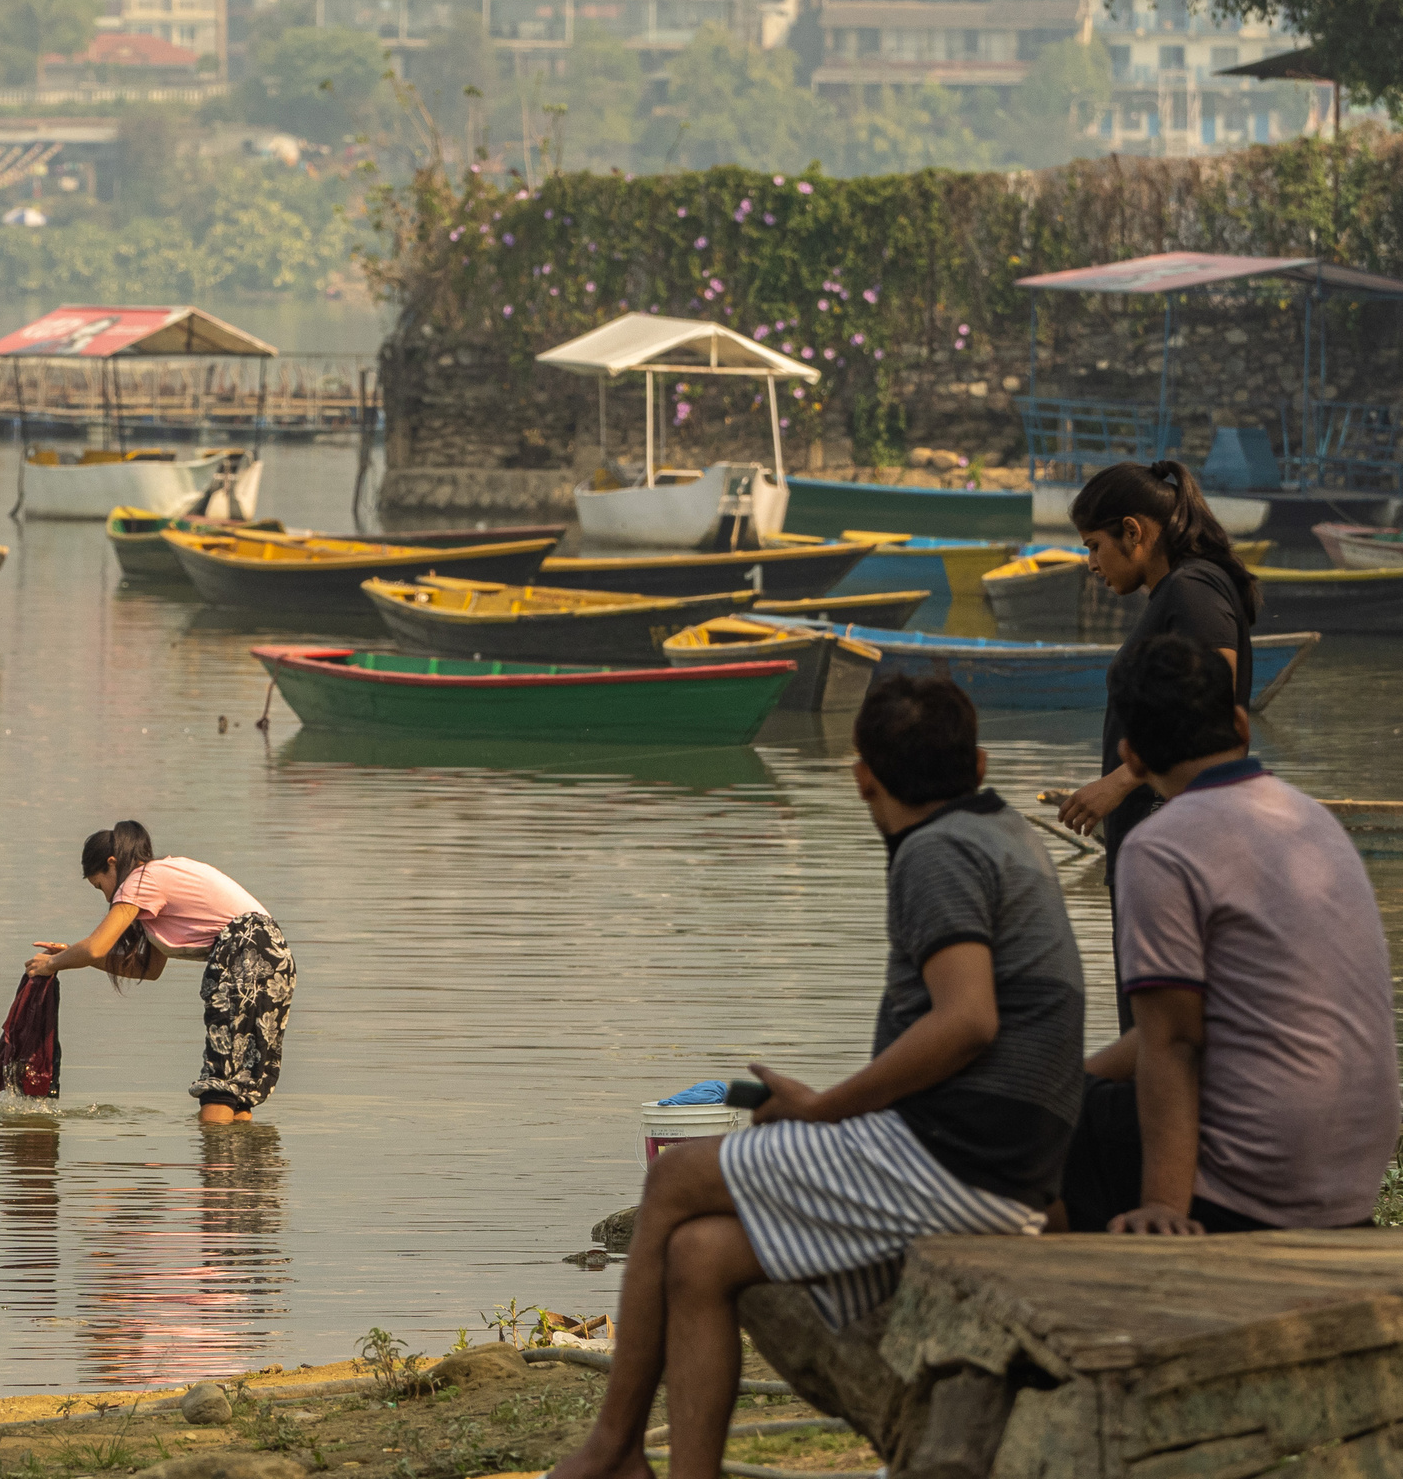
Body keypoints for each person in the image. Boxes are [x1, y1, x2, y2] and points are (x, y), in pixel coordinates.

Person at [547, 677, 1085, 1479]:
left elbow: (968, 1020)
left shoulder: (936, 851)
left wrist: (827, 1109)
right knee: (700, 1256)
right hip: (1008, 1159)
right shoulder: (1006, 830)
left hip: (962, 1162)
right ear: (978, 764)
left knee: (675, 1181)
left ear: (863, 778)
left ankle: (615, 1448)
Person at [1062, 635, 1398, 1235]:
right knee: (1075, 1097)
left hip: (1254, 1179)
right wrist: (1082, 1076)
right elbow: (1190, 1021)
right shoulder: (1310, 819)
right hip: (1349, 1176)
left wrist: (1166, 1206)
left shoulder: (1159, 847)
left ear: (1130, 757)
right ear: (1240, 724)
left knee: (1029, 1128)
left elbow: (1174, 1041)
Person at [1056, 462, 1257, 1019]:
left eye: (1094, 546)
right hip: (1164, 842)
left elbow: (1211, 709)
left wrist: (1120, 783)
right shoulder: (1179, 591)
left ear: (1133, 531)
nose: (1091, 563)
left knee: (1161, 1029)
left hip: (1177, 845)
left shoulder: (1192, 591)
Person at [24, 821, 294, 1125]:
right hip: (274, 957)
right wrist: (70, 955)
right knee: (238, 1082)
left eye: (100, 886)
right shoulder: (159, 880)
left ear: (112, 863)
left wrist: (51, 964)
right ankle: (236, 1151)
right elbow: (148, 969)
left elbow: (96, 947)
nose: (107, 898)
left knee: (220, 1081)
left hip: (244, 953)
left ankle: (215, 1151)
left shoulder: (140, 880)